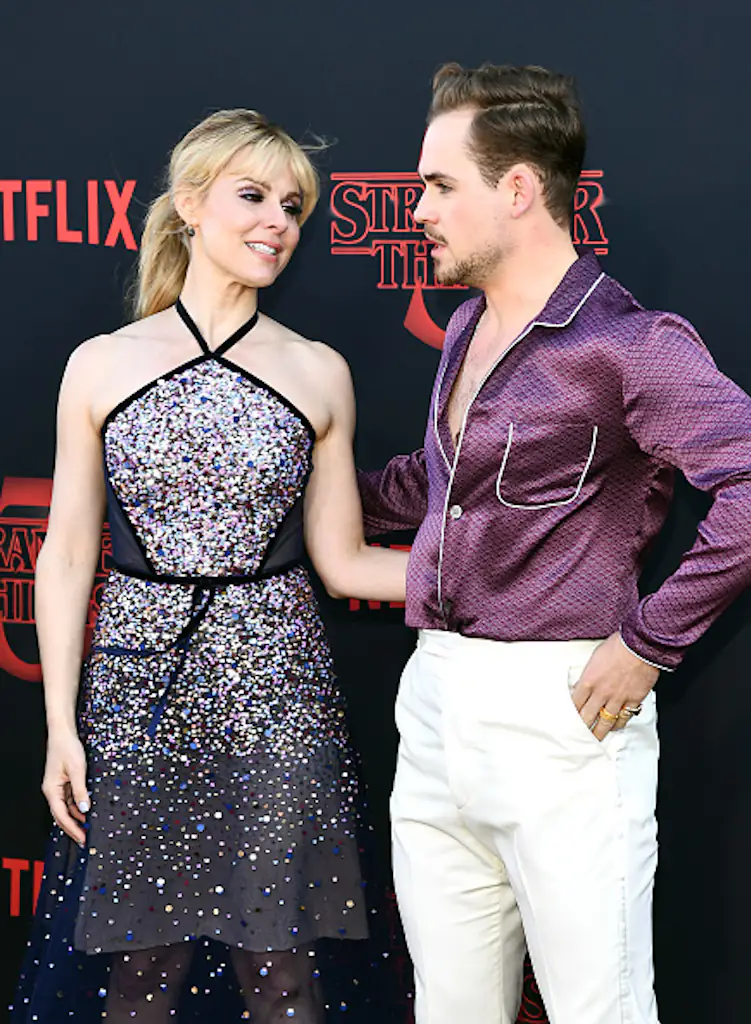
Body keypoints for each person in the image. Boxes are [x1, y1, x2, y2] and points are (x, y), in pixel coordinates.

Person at [358, 63, 751, 1024]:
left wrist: (647, 642)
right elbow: (433, 488)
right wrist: (286, 481)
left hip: (562, 718)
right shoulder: (468, 325)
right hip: (433, 709)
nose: (415, 209)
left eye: (437, 186)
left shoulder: (629, 343)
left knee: (599, 1010)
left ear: (517, 189)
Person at [13, 108, 407, 1023]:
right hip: (138, 695)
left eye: (294, 206)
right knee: (139, 972)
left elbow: (344, 564)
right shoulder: (101, 365)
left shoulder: (318, 371)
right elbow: (69, 551)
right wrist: (61, 726)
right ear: (190, 205)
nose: (279, 220)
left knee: (283, 976)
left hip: (277, 693)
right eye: (254, 195)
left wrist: (494, 566)